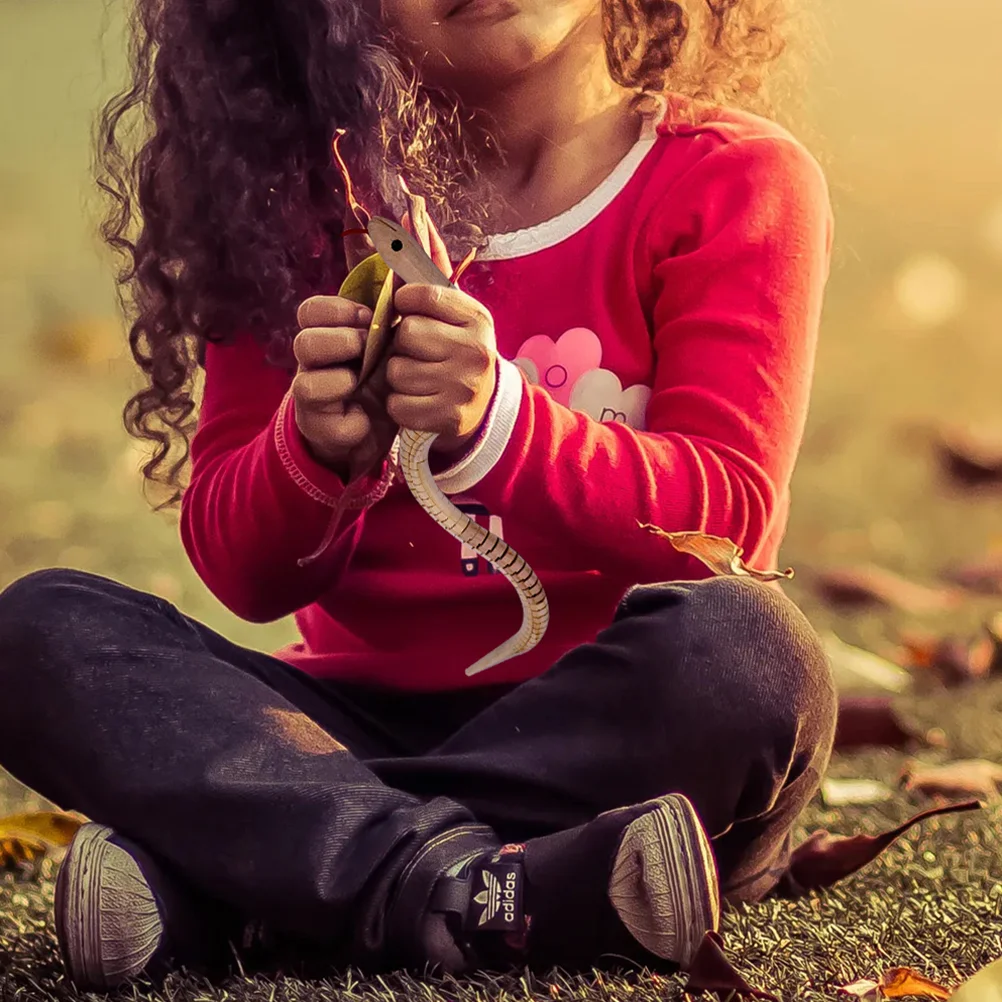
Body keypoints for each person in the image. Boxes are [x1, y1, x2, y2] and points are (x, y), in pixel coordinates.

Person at [0, 0, 837, 992]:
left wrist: (499, 426)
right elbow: (243, 572)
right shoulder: (296, 210)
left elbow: (730, 518)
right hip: (338, 730)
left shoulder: (732, 180)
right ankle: (488, 891)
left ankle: (262, 876)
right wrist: (313, 454)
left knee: (751, 657)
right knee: (38, 630)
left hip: (612, 733)